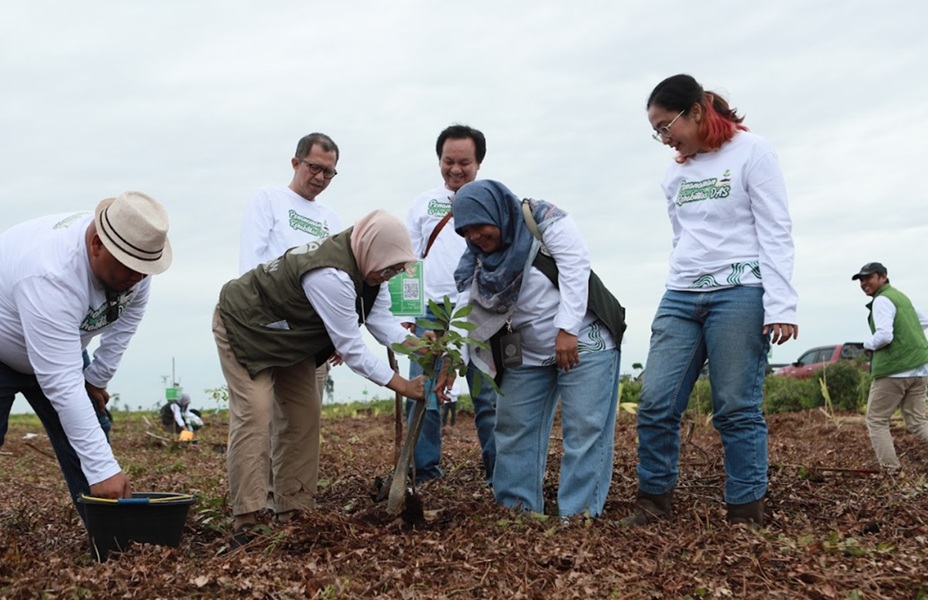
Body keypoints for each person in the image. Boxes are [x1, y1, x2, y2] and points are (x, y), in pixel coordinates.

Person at [627, 74, 798, 528]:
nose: (664, 139)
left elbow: (775, 230)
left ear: (697, 112)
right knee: (657, 402)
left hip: (739, 293)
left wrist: (781, 304)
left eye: (667, 126)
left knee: (736, 406)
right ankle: (653, 501)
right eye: (657, 131)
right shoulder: (676, 170)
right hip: (682, 295)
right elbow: (682, 234)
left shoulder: (752, 151)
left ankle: (745, 510)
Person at [213, 209, 428, 546]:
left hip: (292, 337)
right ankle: (248, 517)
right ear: (371, 250)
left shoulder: (370, 272)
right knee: (255, 413)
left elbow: (381, 322)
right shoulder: (332, 275)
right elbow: (353, 350)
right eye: (388, 268)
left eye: (395, 270)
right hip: (246, 326)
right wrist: (403, 385)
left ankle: (293, 508)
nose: (389, 275)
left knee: (303, 415)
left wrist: (421, 348)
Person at [443, 180, 625, 518]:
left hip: (583, 340)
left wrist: (567, 329)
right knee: (512, 426)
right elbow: (463, 305)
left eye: (480, 226)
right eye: (465, 231)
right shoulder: (477, 260)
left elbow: (575, 267)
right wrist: (451, 358)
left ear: (497, 212)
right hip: (525, 350)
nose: (475, 237)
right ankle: (517, 512)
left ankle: (579, 516)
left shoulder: (543, 220)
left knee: (585, 428)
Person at [0, 191, 172, 520]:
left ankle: (105, 531)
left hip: (63, 346)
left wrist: (96, 378)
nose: (138, 277)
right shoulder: (50, 273)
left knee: (91, 426)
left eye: (144, 269)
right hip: (4, 345)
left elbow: (128, 319)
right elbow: (61, 382)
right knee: (96, 461)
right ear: (96, 245)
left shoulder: (136, 260)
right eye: (130, 268)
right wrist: (104, 468)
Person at [238, 132, 342, 520]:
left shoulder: (330, 218)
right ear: (296, 162)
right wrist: (263, 321)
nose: (319, 177)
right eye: (314, 167)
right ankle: (257, 503)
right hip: (267, 328)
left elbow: (334, 280)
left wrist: (335, 332)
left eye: (329, 172)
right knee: (260, 417)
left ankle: (294, 505)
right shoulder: (268, 200)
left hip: (309, 337)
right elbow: (252, 263)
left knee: (301, 424)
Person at [402, 124, 497, 483]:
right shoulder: (423, 203)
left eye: (464, 163)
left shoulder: (491, 199)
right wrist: (407, 315)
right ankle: (424, 471)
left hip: (480, 312)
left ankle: (498, 472)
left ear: (479, 163)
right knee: (423, 395)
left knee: (487, 397)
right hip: (431, 313)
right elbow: (407, 259)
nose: (455, 170)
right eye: (448, 161)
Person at [852, 262, 928, 470]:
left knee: (876, 420)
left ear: (883, 277)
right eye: (861, 279)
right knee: (917, 421)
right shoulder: (900, 297)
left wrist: (866, 344)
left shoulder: (882, 300)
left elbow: (884, 336)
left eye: (869, 278)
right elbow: (924, 321)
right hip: (920, 369)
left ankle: (891, 470)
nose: (864, 283)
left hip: (895, 371)